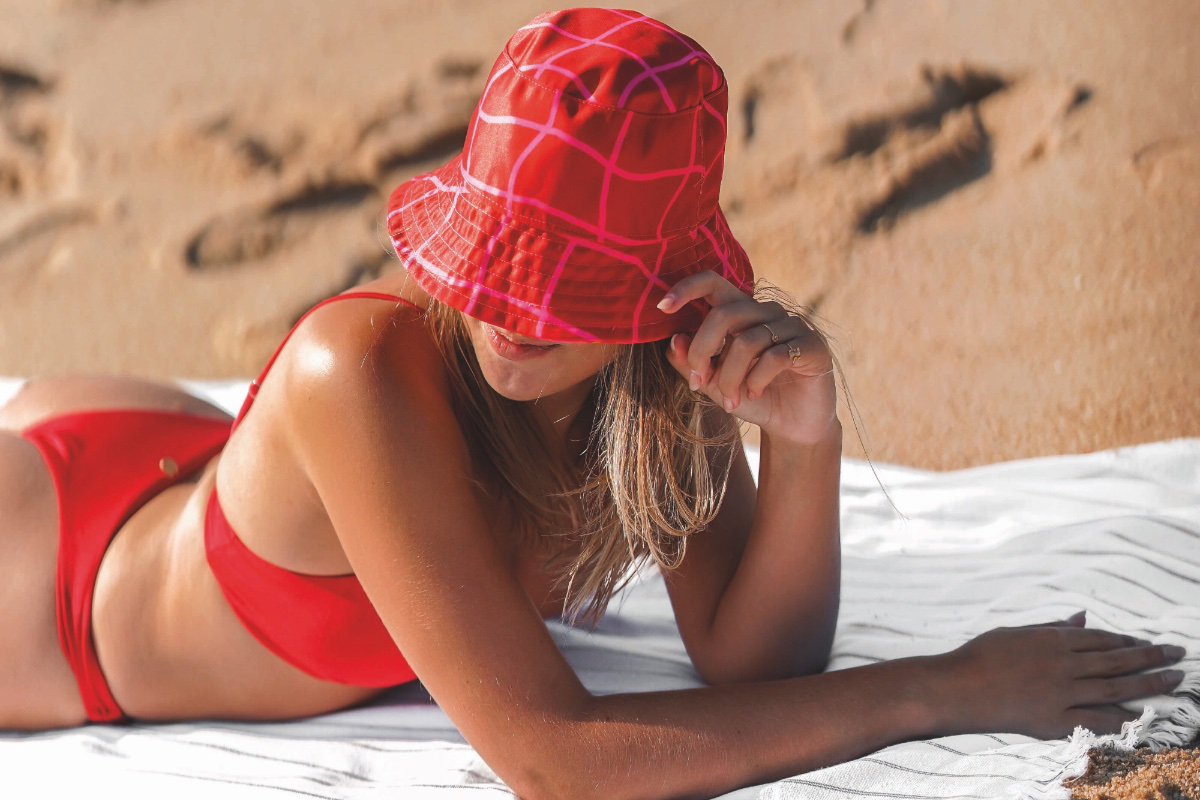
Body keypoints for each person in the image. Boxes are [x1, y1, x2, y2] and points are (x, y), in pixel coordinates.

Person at [0, 8, 1185, 799]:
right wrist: (940, 686)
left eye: (569, 289)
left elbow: (750, 657)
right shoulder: (352, 369)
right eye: (500, 266)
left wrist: (803, 440)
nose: (514, 316)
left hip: (186, 464)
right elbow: (557, 762)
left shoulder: (664, 365)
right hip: (52, 595)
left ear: (660, 282)